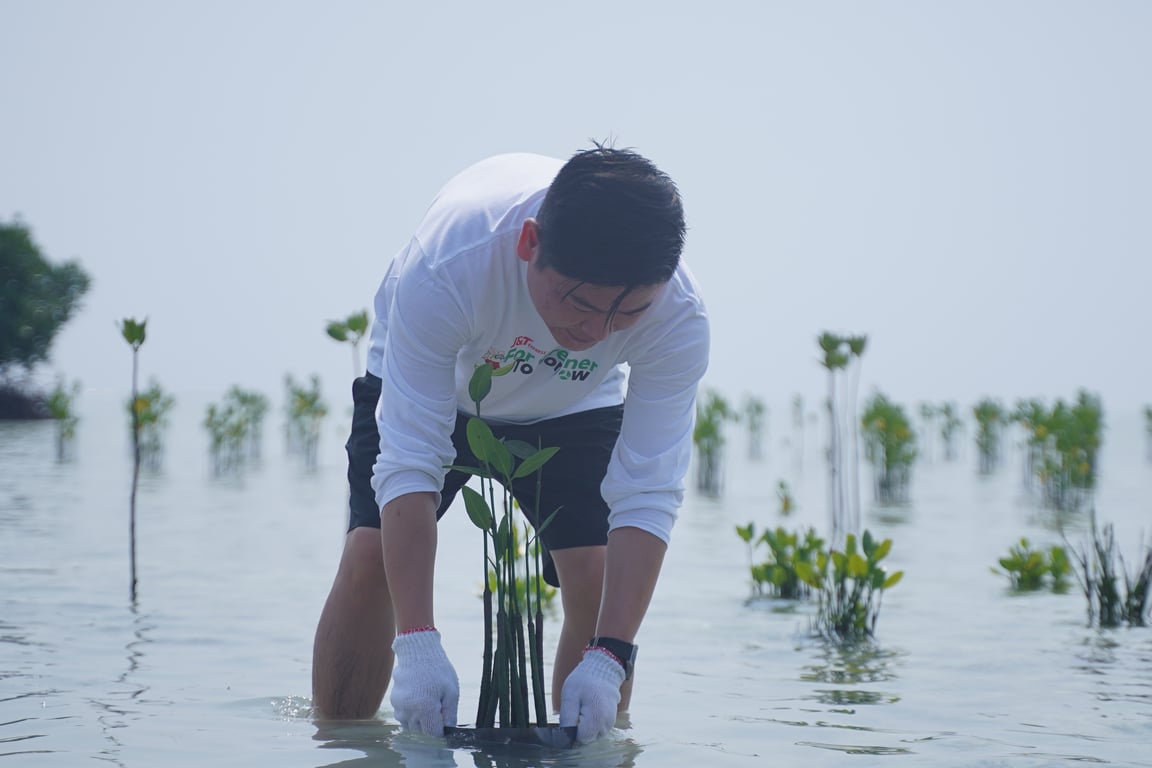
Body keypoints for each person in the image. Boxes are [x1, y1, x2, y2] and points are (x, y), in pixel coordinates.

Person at [311, 143, 709, 743]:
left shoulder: (677, 317)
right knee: (370, 558)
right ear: (529, 246)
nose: (595, 335)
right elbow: (411, 459)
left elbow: (649, 492)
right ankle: (342, 744)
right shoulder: (450, 263)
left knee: (595, 572)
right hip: (441, 386)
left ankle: (590, 743)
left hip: (577, 404)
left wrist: (610, 656)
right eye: (582, 304)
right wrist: (417, 643)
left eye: (624, 317)